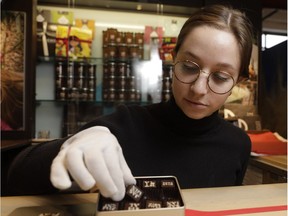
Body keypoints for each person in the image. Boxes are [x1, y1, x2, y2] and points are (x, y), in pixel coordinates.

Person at [6, 4, 253, 201]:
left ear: (238, 81)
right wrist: (63, 149)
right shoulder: (124, 126)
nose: (199, 89)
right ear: (172, 58)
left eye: (220, 77)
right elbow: (14, 175)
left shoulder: (238, 144)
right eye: (189, 67)